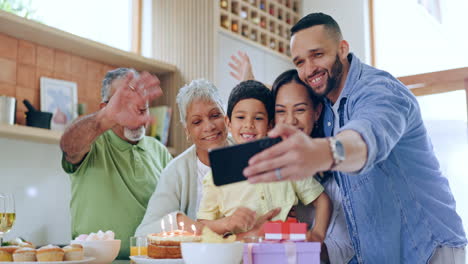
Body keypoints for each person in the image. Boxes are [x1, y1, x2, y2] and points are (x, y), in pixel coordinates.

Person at [243, 13, 467, 263]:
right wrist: (252, 86)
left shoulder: (379, 91)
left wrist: (324, 153)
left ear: (342, 49)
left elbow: (365, 138)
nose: (309, 70)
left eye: (317, 55)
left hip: (429, 250)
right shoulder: (326, 105)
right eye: (300, 61)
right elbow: (293, 105)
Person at [229, 54, 355, 263]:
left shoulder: (339, 170)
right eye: (280, 112)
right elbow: (247, 128)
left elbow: (345, 247)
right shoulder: (266, 161)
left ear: (316, 112)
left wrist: (309, 244)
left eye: (300, 110)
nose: (289, 121)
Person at [197, 80, 332, 242]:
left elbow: (322, 200)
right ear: (228, 123)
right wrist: (228, 223)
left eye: (258, 118)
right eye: (241, 117)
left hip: (287, 252)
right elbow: (202, 226)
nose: (249, 125)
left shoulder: (285, 163)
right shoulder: (216, 175)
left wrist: (318, 235)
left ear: (270, 125)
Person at [60, 68, 173, 259]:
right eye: (125, 105)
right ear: (106, 107)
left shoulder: (159, 150)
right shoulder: (93, 142)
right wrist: (106, 118)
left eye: (141, 106)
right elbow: (69, 146)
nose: (135, 115)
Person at [135, 79, 232, 236]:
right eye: (197, 121)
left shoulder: (247, 151)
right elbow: (142, 234)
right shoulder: (175, 172)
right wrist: (179, 221)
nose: (209, 127)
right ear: (187, 131)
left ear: (226, 118)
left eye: (215, 115)